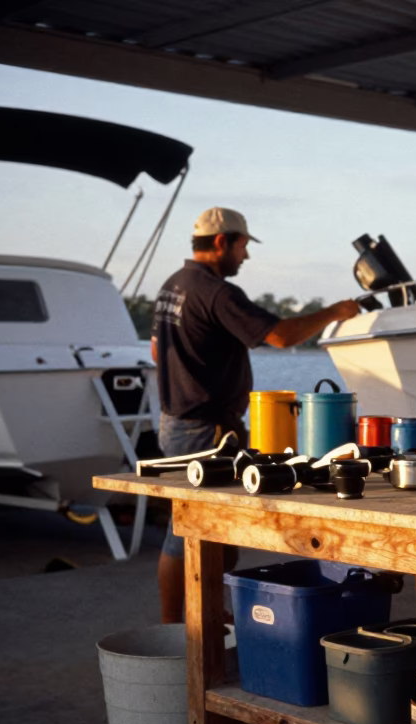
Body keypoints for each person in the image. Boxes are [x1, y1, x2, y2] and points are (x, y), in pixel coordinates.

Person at [150, 207, 361, 623]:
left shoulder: (173, 285)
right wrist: (335, 311)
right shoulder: (216, 291)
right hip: (204, 432)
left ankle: (209, 617)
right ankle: (176, 629)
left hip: (177, 422)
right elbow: (281, 336)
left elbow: (158, 351)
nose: (245, 256)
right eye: (243, 245)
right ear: (220, 242)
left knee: (216, 533)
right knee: (184, 535)